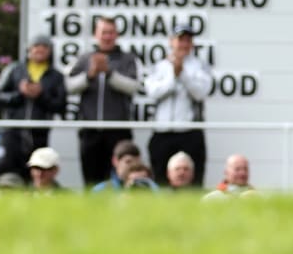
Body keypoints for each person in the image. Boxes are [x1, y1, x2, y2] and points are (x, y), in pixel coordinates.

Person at [66, 16, 141, 186]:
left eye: (111, 32)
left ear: (117, 35)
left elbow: (133, 86)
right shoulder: (85, 58)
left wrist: (109, 73)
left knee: (120, 179)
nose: (107, 36)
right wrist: (89, 75)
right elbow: (69, 86)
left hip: (118, 130)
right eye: (104, 32)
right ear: (96, 34)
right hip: (90, 130)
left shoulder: (127, 59)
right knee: (91, 180)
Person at [144, 23, 213, 187]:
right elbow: (152, 92)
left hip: (190, 132)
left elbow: (201, 92)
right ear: (171, 41)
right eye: (180, 39)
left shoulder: (199, 66)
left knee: (194, 183)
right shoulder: (160, 66)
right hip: (162, 132)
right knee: (160, 181)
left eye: (187, 40)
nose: (183, 44)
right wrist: (173, 77)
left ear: (192, 44)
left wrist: (182, 74)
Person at [0, 34, 67, 180]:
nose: (40, 50)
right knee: (9, 171)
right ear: (29, 49)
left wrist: (40, 95)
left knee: (38, 172)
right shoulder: (13, 69)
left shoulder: (56, 76)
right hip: (13, 131)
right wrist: (20, 94)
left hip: (39, 133)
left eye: (44, 47)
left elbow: (60, 105)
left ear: (50, 51)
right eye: (36, 46)